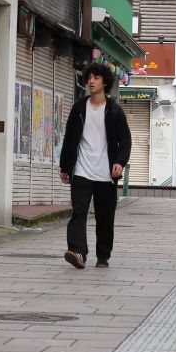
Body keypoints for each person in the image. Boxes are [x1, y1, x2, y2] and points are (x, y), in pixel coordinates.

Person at [59, 63, 132, 269]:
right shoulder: (79, 108)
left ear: (105, 82)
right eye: (89, 77)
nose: (91, 81)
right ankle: (78, 252)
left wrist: (120, 162)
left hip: (106, 174)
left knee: (105, 218)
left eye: (96, 78)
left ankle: (103, 255)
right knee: (78, 212)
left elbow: (125, 140)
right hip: (81, 170)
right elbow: (69, 139)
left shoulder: (114, 111)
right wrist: (65, 167)